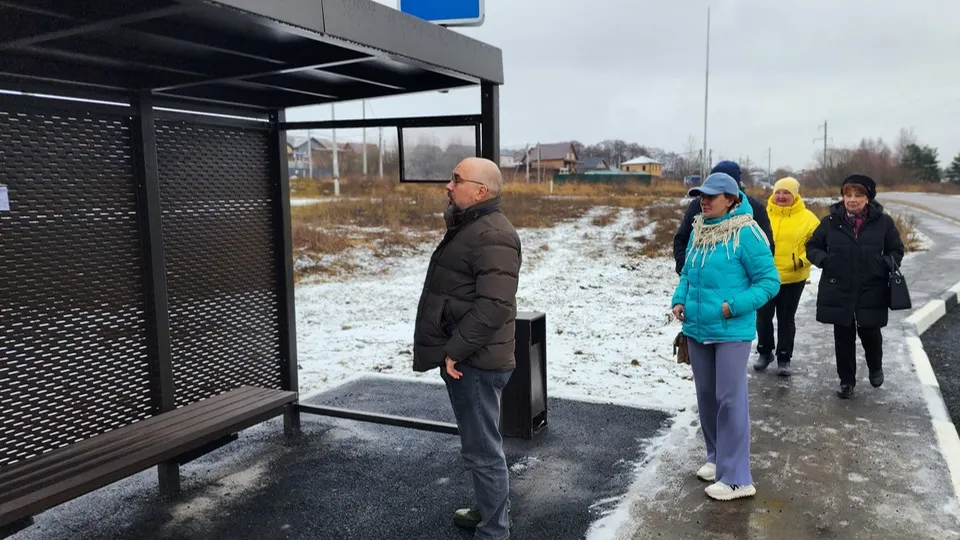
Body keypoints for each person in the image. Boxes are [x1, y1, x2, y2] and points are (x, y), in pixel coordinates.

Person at [412, 157, 521, 540]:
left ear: (480, 191)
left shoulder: (493, 233)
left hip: (474, 361)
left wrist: (454, 350)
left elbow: (494, 306)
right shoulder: (472, 226)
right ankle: (487, 510)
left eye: (456, 179)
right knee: (480, 445)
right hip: (471, 358)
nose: (448, 185)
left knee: (482, 450)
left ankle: (495, 531)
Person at [671, 172, 780, 501]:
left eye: (711, 197)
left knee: (730, 400)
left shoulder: (746, 232)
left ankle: (737, 478)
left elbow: (769, 281)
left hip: (731, 329)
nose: (703, 202)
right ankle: (716, 457)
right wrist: (679, 299)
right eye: (701, 196)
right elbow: (689, 271)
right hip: (698, 328)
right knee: (707, 395)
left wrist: (734, 306)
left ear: (731, 199)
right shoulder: (699, 230)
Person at [805, 174, 904, 399]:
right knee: (843, 335)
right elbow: (812, 246)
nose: (852, 199)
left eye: (858, 195)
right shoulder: (830, 222)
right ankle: (846, 381)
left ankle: (875, 366)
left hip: (872, 286)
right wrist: (825, 261)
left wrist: (883, 265)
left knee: (870, 331)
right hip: (839, 287)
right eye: (848, 194)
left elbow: (896, 250)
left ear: (868, 198)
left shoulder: (884, 222)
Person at [753, 177, 822, 376]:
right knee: (763, 316)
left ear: (795, 195)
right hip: (765, 276)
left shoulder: (808, 218)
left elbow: (818, 244)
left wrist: (800, 261)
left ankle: (784, 357)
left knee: (785, 318)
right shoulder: (762, 214)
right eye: (778, 192)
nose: (781, 196)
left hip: (793, 277)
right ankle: (765, 353)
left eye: (787, 193)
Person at [673, 160, 775, 275]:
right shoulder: (697, 207)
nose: (705, 202)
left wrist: (739, 279)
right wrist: (685, 270)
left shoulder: (754, 210)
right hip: (698, 284)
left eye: (712, 195)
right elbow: (681, 239)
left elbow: (766, 249)